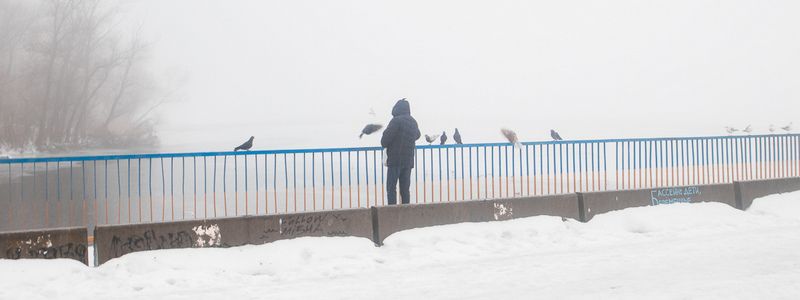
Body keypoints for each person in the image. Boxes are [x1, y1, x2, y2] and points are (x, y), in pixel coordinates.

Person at [381, 98, 421, 205]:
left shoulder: (396, 121)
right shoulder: (413, 121)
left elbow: (384, 141)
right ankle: (406, 214)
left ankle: (392, 213)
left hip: (395, 160)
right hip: (408, 161)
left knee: (391, 188)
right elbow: (418, 135)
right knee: (405, 189)